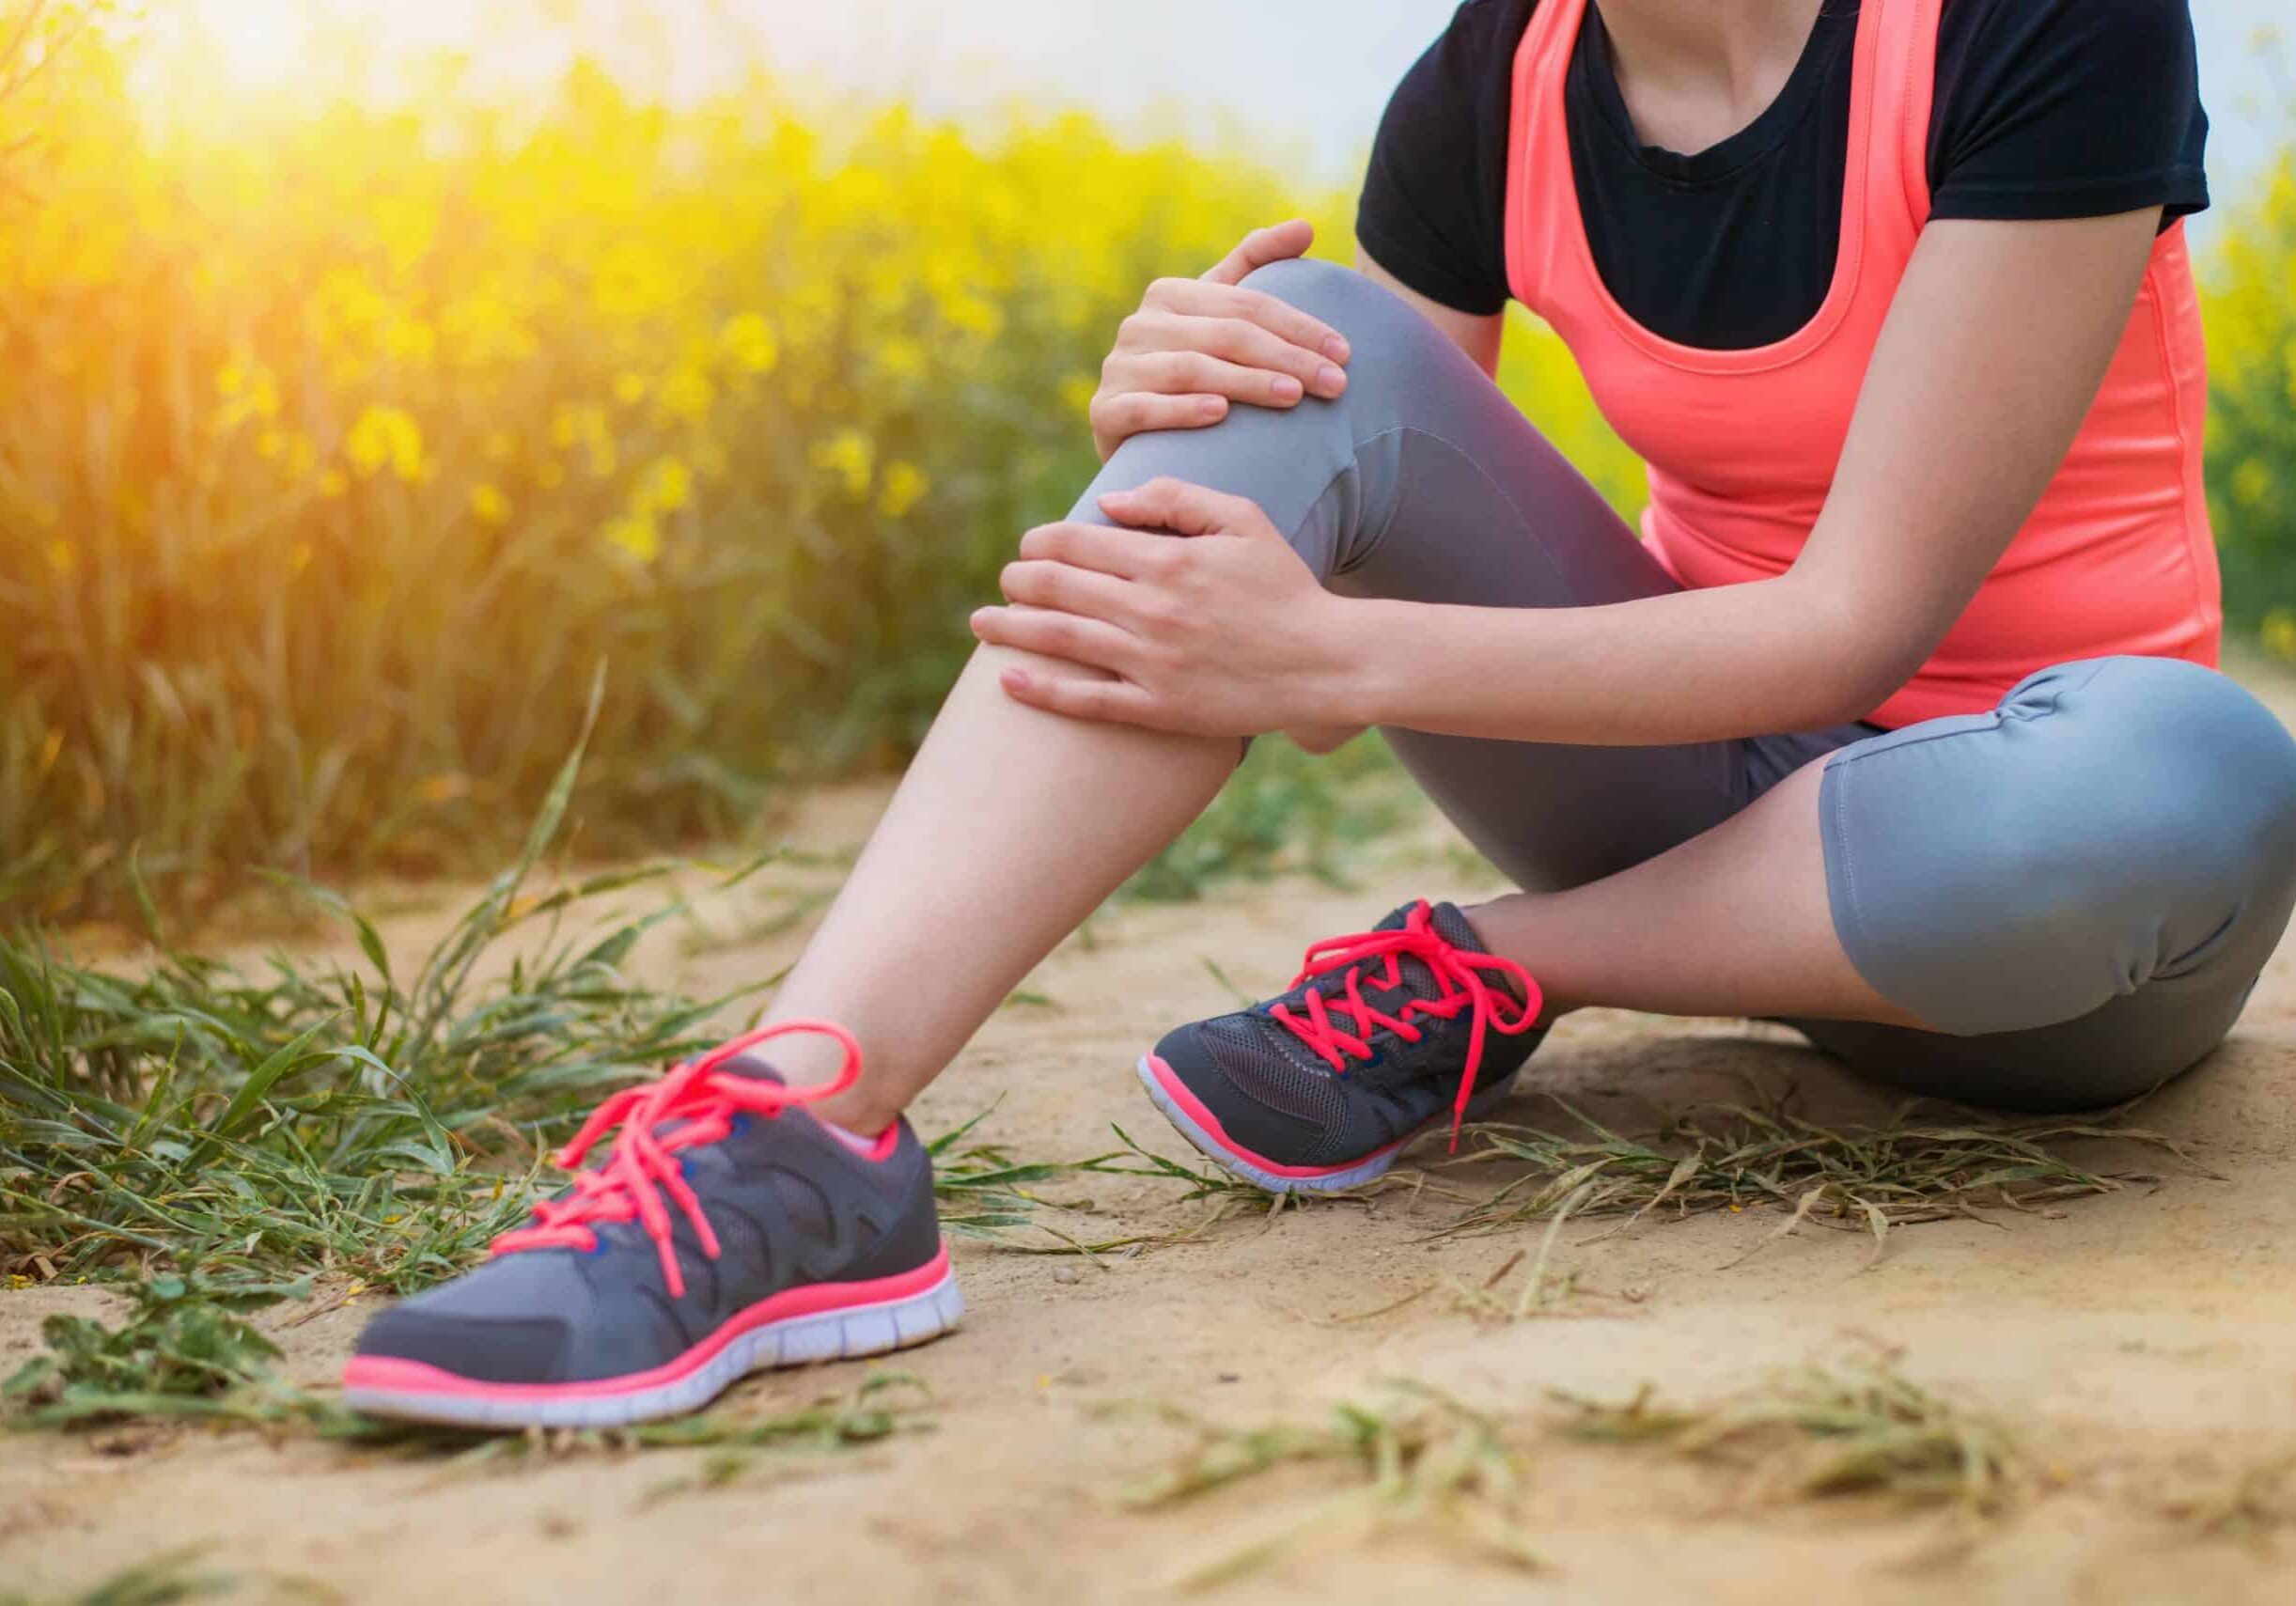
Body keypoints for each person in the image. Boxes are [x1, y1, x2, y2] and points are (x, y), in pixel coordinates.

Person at [342, 0, 2296, 1427]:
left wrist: (1330, 666)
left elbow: (1848, 629)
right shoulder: (1492, 80)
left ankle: (1501, 969)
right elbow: (1358, 493)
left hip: (2046, 936)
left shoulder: (2046, 24)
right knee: (1301, 342)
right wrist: (1188, 411)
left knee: (2188, 776)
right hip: (1683, 798)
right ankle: (800, 1129)